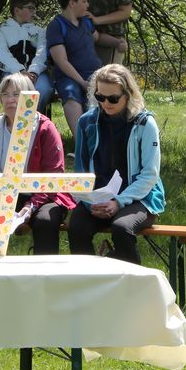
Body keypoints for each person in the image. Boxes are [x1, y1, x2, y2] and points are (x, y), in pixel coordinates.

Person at [67, 64, 165, 265]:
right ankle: (88, 279)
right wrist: (89, 202)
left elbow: (150, 174)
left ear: (128, 95)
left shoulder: (145, 124)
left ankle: (132, 282)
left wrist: (118, 202)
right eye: (100, 97)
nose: (105, 103)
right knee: (76, 227)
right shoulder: (86, 122)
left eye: (113, 98)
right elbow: (80, 170)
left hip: (140, 197)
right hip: (98, 198)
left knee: (121, 228)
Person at [0, 73, 74, 254]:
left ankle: (44, 270)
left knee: (45, 221)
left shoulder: (45, 127)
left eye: (17, 94)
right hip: (3, 191)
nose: (10, 99)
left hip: (43, 195)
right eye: (5, 94)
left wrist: (31, 206)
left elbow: (54, 174)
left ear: (30, 98)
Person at [46, 0, 103, 138]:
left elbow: (97, 38)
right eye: (84, 1)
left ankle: (101, 141)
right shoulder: (56, 26)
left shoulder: (86, 22)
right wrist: (82, 82)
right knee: (72, 95)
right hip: (69, 77)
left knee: (106, 93)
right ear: (72, 3)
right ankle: (81, 143)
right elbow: (61, 61)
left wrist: (118, 42)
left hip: (95, 73)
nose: (87, 5)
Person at [0, 0, 54, 113]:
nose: (34, 12)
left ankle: (26, 121)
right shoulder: (2, 31)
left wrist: (33, 71)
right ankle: (22, 122)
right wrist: (20, 71)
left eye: (34, 8)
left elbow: (42, 53)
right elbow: (2, 55)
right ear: (17, 10)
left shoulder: (40, 31)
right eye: (30, 8)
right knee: (14, 92)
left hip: (37, 74)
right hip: (12, 72)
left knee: (44, 90)